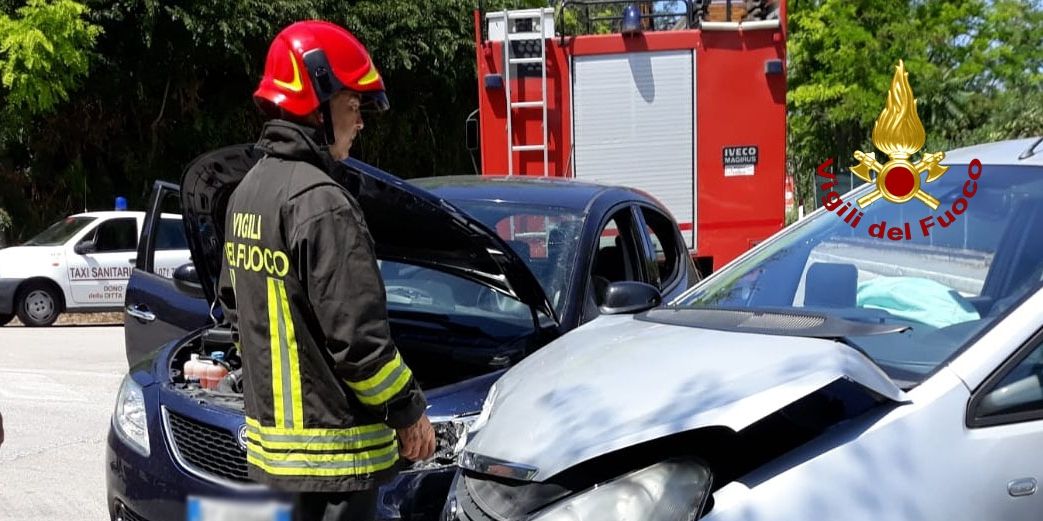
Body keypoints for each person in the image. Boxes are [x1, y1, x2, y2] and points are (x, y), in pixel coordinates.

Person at [217, 20, 435, 521]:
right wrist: (409, 412)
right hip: (337, 459)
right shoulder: (322, 204)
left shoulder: (247, 194)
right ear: (315, 104)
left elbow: (234, 309)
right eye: (353, 106)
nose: (359, 122)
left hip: (274, 461)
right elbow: (360, 345)